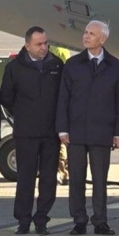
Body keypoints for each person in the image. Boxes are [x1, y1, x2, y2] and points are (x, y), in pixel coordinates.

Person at [56, 20, 119, 236]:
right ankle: (79, 219)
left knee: (99, 179)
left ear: (102, 39)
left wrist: (118, 132)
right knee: (76, 178)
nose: (86, 36)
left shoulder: (115, 66)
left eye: (91, 33)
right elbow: (63, 98)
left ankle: (100, 221)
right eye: (85, 32)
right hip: (76, 131)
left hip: (102, 131)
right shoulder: (73, 64)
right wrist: (62, 129)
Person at [1, 26, 64, 235]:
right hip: (26, 132)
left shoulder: (56, 65)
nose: (44, 47)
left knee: (48, 178)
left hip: (50, 133)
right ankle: (23, 219)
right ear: (27, 45)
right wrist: (23, 115)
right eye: (39, 44)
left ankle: (42, 219)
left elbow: (62, 97)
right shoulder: (14, 68)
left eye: (46, 43)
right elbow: (7, 98)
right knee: (25, 178)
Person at [49, 44, 72, 186]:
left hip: (58, 100)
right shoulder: (54, 48)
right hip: (56, 100)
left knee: (62, 144)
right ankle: (62, 173)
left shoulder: (59, 49)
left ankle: (63, 173)